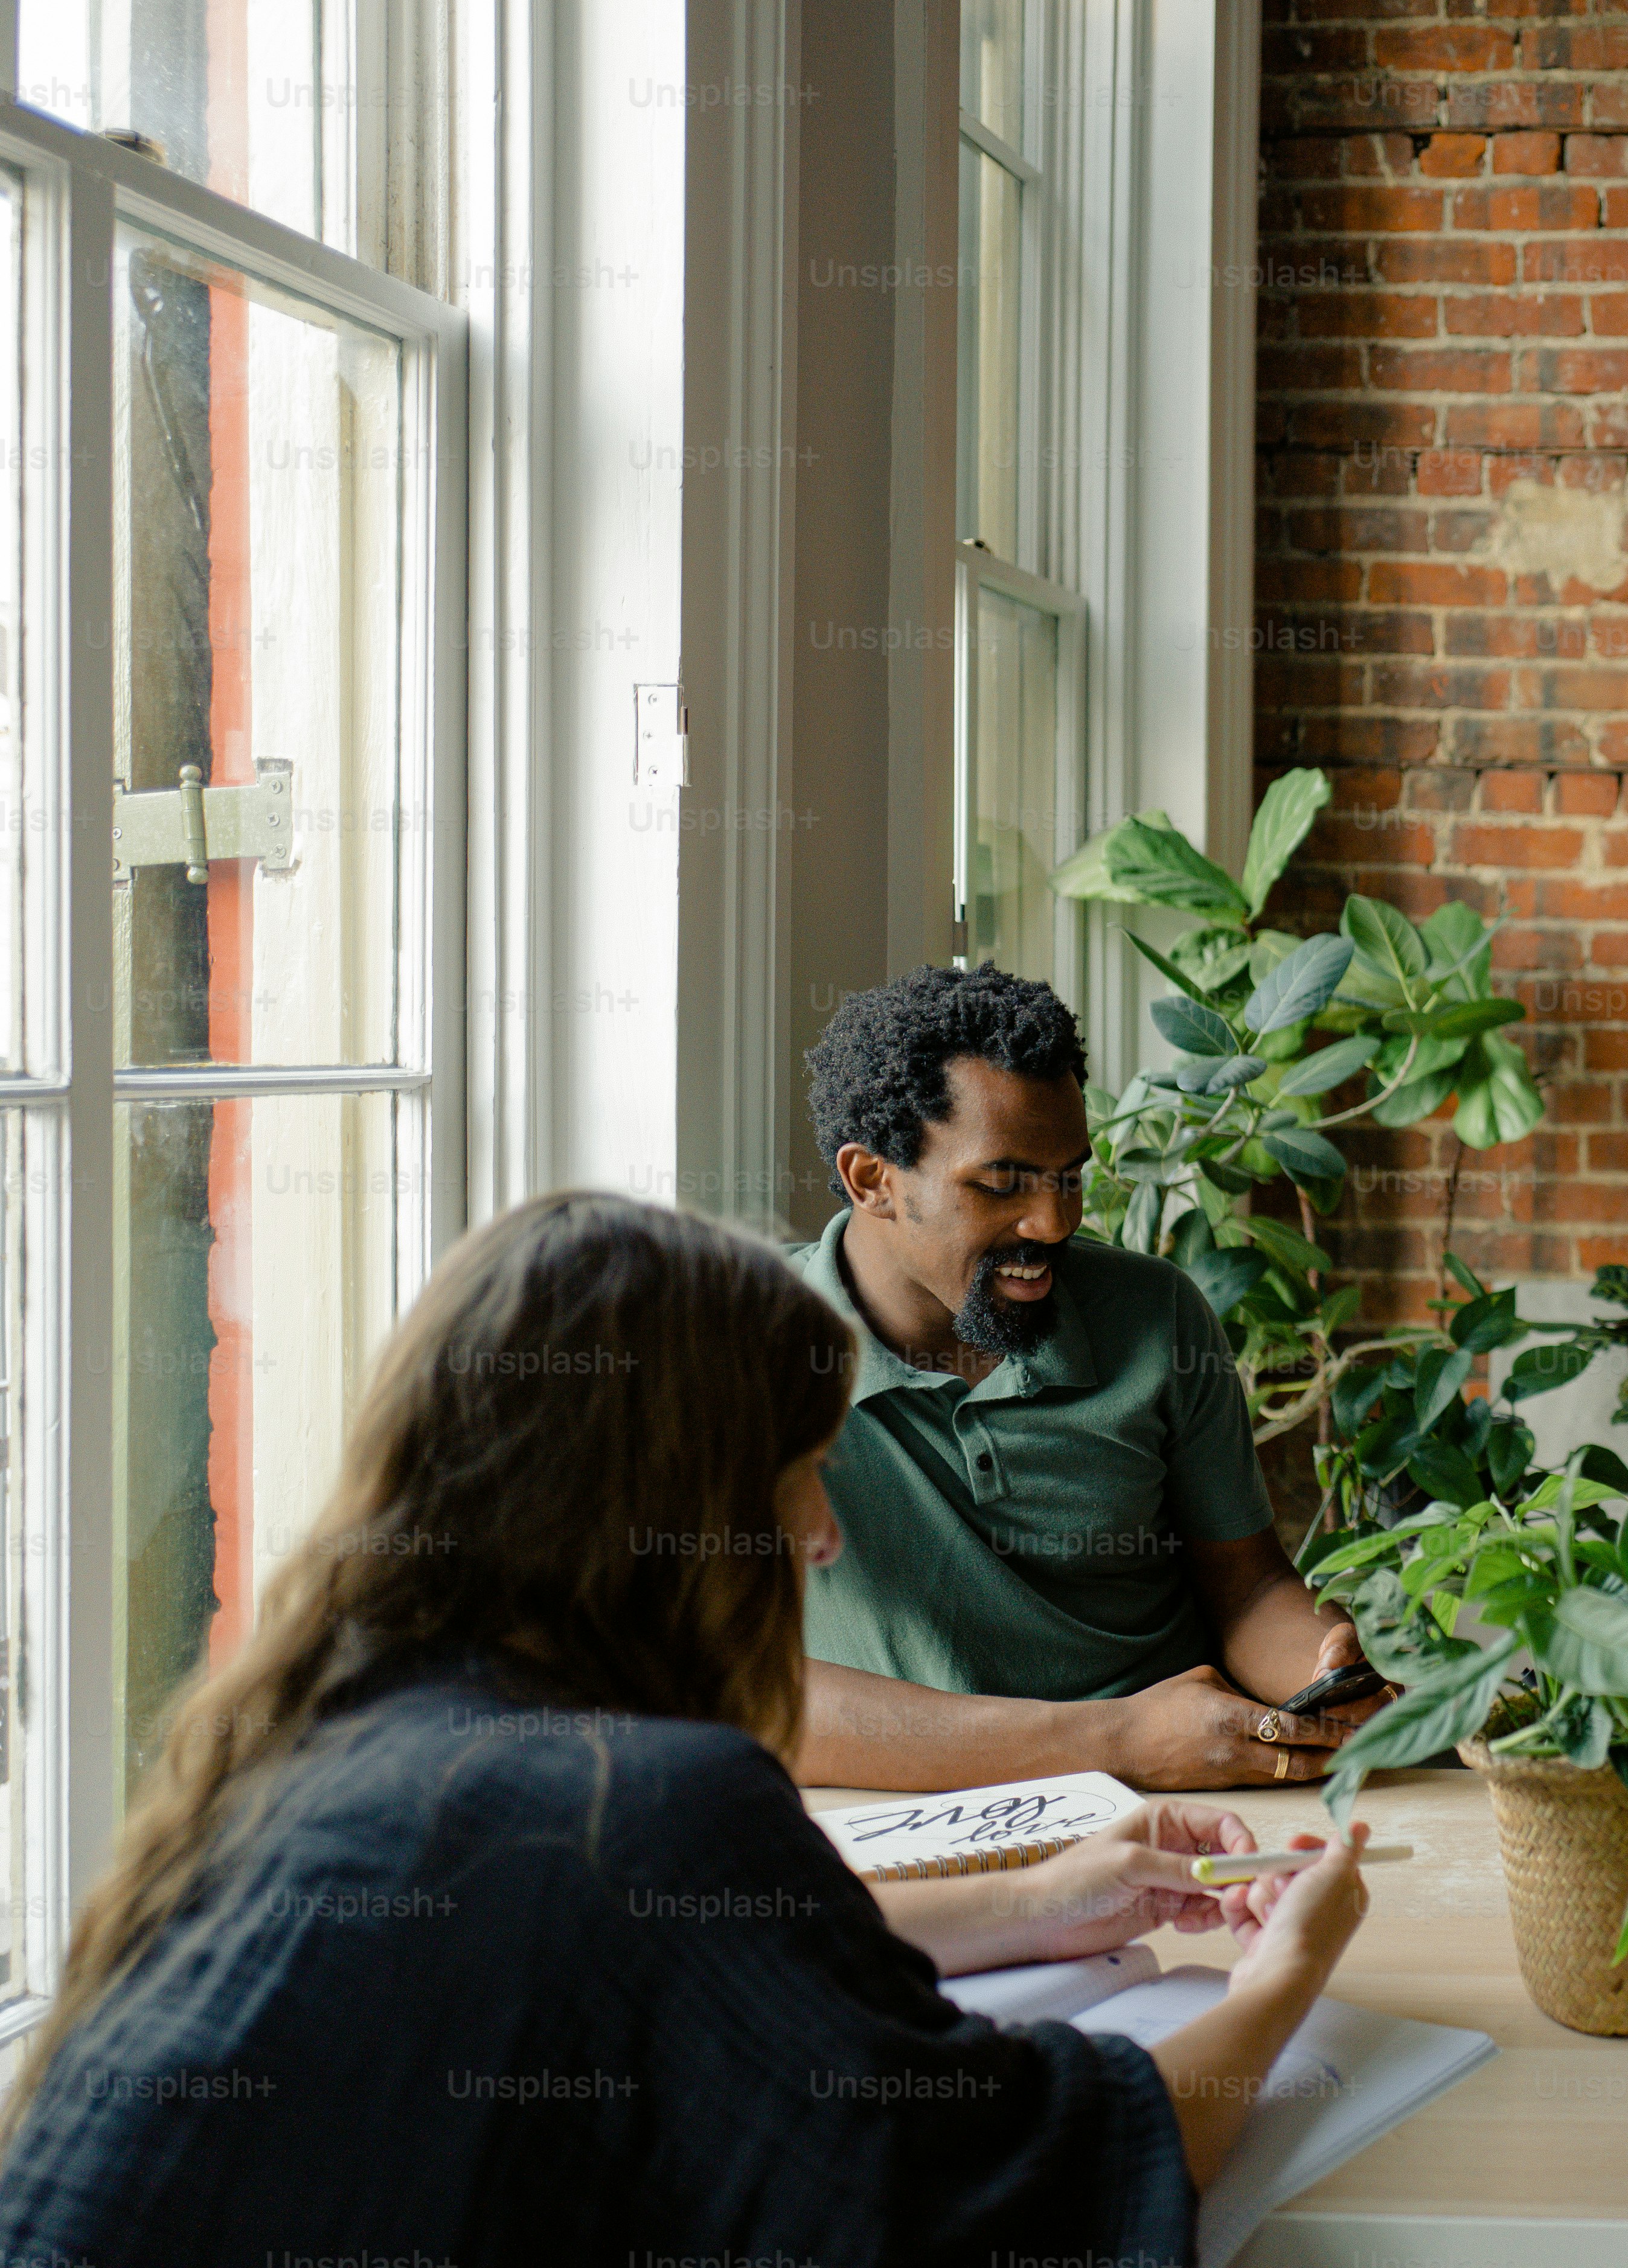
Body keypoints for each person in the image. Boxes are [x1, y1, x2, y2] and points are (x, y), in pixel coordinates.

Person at [0, 1190, 1377, 2263]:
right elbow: (1035, 2176)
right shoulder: (640, 1795)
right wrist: (1282, 1985)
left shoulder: (317, 1735)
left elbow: (643, 1954)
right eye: (795, 1481)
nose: (823, 1536)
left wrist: (1040, 1899)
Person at [790, 965, 1388, 1792]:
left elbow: (1246, 1588)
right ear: (873, 1180)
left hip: (1192, 1794)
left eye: (1068, 1176)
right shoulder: (739, 1355)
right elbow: (741, 1691)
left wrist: (1326, 1674)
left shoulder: (1157, 1317)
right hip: (913, 1822)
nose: (1054, 1223)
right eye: (1001, 1184)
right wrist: (1115, 1741)